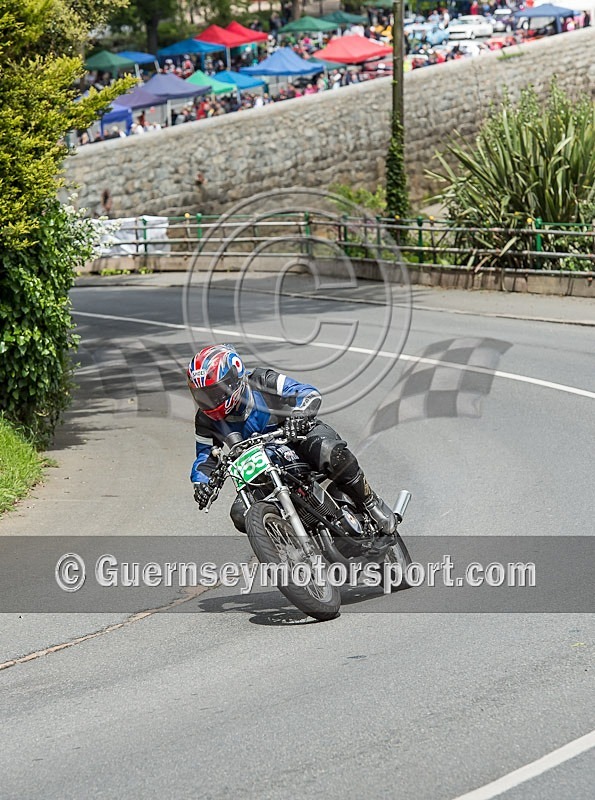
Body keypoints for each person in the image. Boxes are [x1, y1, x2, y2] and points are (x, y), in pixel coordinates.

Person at [187, 344, 396, 535]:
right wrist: (201, 483)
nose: (209, 401)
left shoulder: (262, 381)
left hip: (296, 438)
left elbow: (307, 393)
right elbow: (205, 457)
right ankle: (291, 548)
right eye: (202, 395)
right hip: (260, 466)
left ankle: (372, 504)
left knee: (330, 451)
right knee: (241, 513)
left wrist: (300, 415)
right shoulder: (205, 419)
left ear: (235, 380)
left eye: (214, 393)